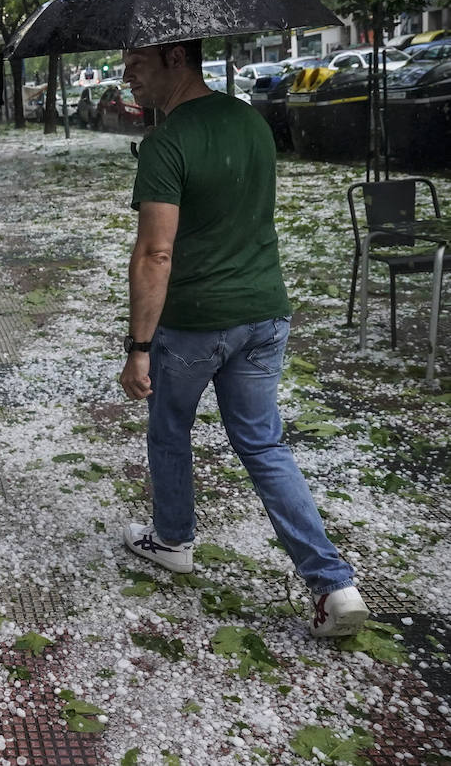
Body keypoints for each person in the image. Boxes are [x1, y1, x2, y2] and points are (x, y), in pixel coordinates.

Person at [116, 39, 368, 638]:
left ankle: (173, 539)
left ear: (177, 58)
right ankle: (334, 584)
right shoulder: (251, 122)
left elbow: (155, 252)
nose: (128, 78)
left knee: (169, 427)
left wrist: (139, 347)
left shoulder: (167, 142)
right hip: (265, 314)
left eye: (137, 65)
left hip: (196, 322)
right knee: (263, 446)